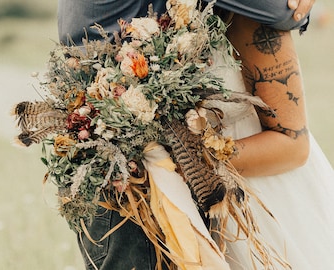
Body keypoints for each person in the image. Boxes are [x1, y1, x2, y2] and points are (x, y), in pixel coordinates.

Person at [56, 0, 334, 269]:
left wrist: (189, 162)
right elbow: (283, 10)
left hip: (253, 195)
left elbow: (293, 144)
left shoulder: (225, 19)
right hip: (138, 188)